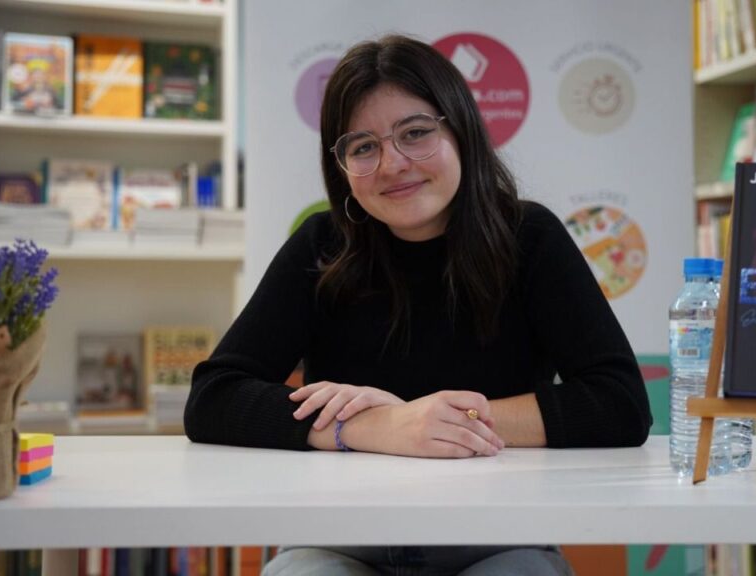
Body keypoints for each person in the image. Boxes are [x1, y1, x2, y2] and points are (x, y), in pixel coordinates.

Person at [185, 34, 651, 576]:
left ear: (461, 131)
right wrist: (379, 426)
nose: (392, 163)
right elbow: (213, 397)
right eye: (363, 147)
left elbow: (620, 403)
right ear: (341, 166)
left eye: (415, 133)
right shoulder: (322, 246)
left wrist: (444, 424)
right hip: (339, 538)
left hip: (497, 538)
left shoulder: (529, 238)